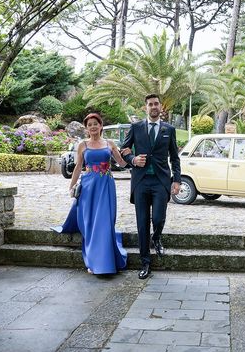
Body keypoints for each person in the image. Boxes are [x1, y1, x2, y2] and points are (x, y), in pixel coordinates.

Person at [52, 111, 128, 275]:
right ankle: (94, 260)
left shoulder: (110, 143)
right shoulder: (83, 145)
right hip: (88, 186)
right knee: (90, 223)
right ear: (86, 129)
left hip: (106, 185)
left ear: (101, 126)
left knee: (105, 221)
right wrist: (71, 187)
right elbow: (78, 167)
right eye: (89, 125)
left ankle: (106, 261)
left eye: (96, 124)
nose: (93, 127)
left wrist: (128, 155)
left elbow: (121, 164)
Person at [121, 94, 181, 279]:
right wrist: (133, 159)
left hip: (161, 181)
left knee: (158, 218)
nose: (153, 107)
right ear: (145, 107)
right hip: (140, 182)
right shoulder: (136, 127)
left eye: (156, 104)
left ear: (160, 107)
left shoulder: (169, 129)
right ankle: (145, 263)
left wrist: (176, 180)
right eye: (150, 104)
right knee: (142, 223)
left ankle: (157, 237)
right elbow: (124, 150)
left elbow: (174, 157)